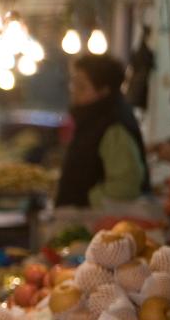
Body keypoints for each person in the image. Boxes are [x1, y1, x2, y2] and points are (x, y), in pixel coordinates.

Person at [55, 53, 152, 208]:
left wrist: (86, 200)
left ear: (104, 90)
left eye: (81, 87)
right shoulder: (95, 119)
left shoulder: (114, 126)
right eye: (73, 84)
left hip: (97, 224)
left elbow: (126, 185)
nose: (74, 92)